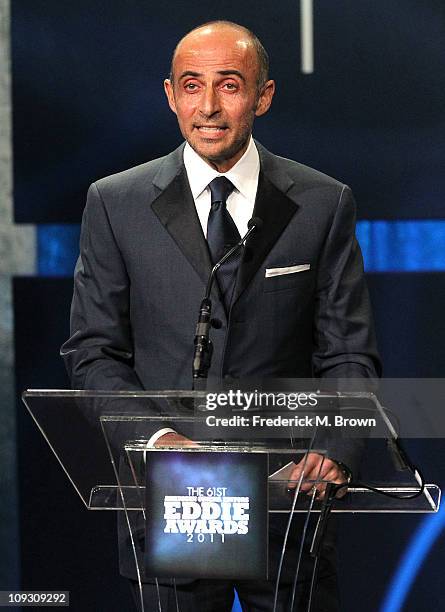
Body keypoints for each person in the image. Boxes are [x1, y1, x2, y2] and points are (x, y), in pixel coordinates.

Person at [61, 20, 380, 612]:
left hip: (290, 497)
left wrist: (335, 446)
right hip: (171, 498)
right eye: (191, 85)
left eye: (229, 86)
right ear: (170, 95)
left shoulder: (321, 202)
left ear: (262, 95)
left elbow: (349, 352)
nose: (208, 107)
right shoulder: (116, 202)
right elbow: (93, 352)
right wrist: (158, 441)